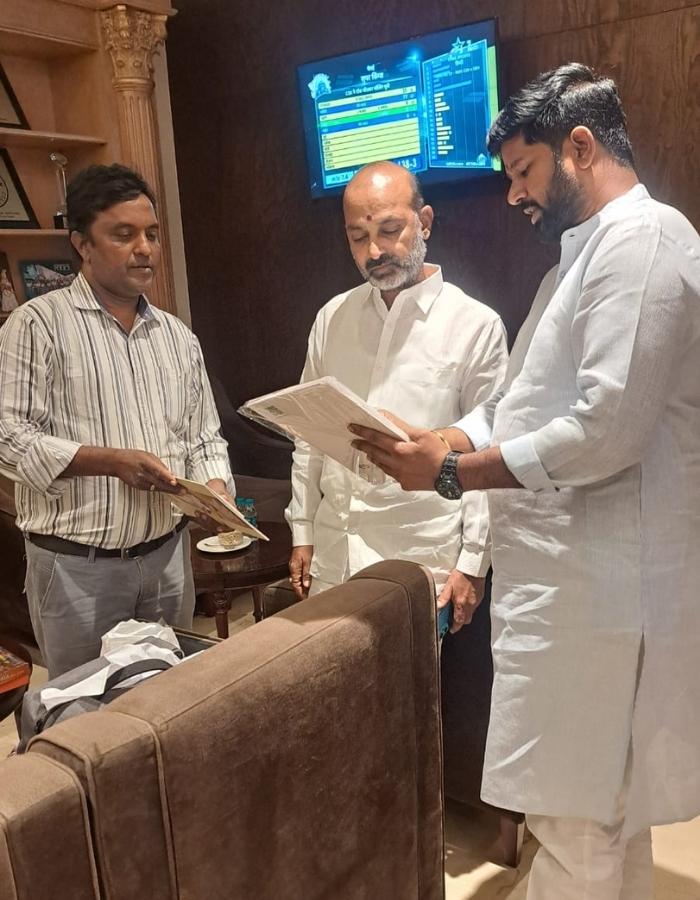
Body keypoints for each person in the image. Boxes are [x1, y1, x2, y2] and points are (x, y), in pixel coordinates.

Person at [351, 64, 700, 899]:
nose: (513, 195)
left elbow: (604, 430)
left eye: (523, 171)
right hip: (568, 592)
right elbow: (513, 404)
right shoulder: (573, 264)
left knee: (578, 824)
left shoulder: (643, 243)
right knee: (599, 819)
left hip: (605, 598)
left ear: (579, 147)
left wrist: (449, 473)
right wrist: (445, 436)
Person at [0, 164, 235, 678]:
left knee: (169, 701)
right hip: (77, 569)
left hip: (167, 561)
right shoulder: (36, 325)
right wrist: (107, 462)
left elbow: (202, 436)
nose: (144, 248)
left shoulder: (177, 336)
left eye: (151, 234)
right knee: (84, 709)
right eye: (123, 234)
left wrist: (215, 488)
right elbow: (9, 439)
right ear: (82, 244)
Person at [286, 160, 508, 623]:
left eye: (389, 230)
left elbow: (488, 452)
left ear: (424, 222)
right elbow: (309, 435)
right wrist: (302, 530)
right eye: (358, 237)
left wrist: (473, 563)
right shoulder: (332, 318)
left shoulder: (475, 325)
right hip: (334, 557)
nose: (374, 251)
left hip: (420, 561)